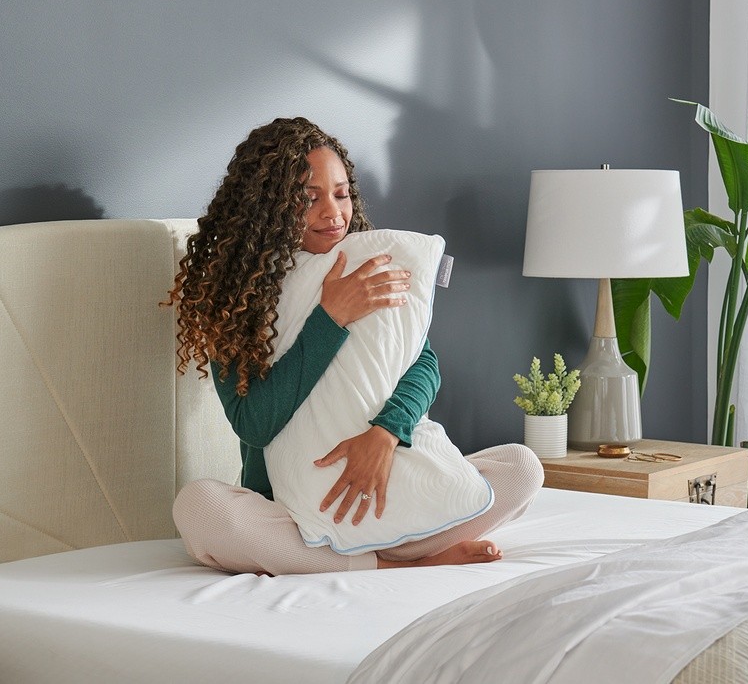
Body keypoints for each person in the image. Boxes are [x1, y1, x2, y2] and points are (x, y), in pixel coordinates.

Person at [167, 116, 542, 575]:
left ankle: (377, 550)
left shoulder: (369, 264)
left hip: (388, 478)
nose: (333, 213)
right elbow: (255, 424)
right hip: (295, 513)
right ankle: (393, 563)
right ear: (266, 208)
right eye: (309, 199)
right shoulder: (234, 296)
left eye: (341, 194)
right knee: (200, 508)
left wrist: (384, 436)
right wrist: (330, 318)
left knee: (523, 467)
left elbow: (423, 363)